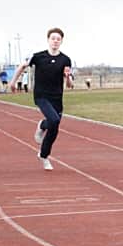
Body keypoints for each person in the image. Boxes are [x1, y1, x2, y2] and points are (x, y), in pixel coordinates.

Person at [11, 28, 73, 171]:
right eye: (53, 38)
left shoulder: (65, 59)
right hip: (41, 95)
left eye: (58, 39)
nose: (55, 41)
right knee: (54, 120)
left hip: (57, 97)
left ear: (61, 41)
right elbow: (22, 66)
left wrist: (68, 76)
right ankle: (45, 153)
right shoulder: (38, 56)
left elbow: (70, 85)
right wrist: (13, 82)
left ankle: (43, 153)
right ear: (48, 40)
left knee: (54, 127)